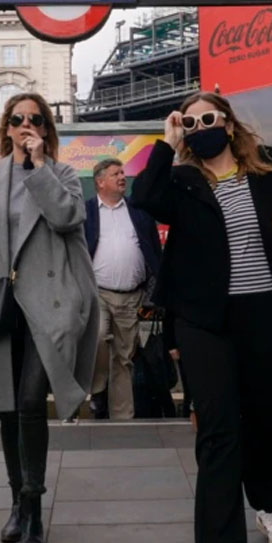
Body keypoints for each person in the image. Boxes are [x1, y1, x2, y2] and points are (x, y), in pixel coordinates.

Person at [133, 92, 272, 543]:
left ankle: (269, 506)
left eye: (208, 118)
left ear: (227, 122)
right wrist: (167, 140)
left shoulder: (267, 177)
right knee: (218, 427)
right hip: (203, 319)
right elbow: (144, 198)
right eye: (191, 120)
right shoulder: (182, 181)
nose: (201, 125)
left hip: (262, 313)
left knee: (262, 420)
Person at [0, 92, 98, 543]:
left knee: (32, 400)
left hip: (48, 305)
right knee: (7, 405)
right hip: (1, 305)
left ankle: (34, 510)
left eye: (35, 120)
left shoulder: (62, 175)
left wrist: (38, 169)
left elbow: (67, 217)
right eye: (17, 119)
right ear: (6, 127)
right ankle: (17, 499)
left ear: (46, 129)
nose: (25, 126)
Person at [83, 157, 162, 420]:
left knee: (124, 357)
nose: (122, 177)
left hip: (132, 296)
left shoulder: (139, 211)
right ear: (100, 181)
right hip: (98, 293)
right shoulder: (87, 212)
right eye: (116, 173)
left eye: (123, 173)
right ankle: (98, 389)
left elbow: (153, 249)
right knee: (98, 339)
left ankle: (121, 419)